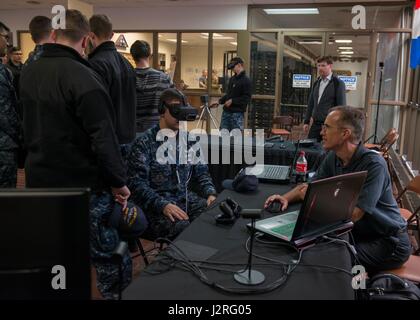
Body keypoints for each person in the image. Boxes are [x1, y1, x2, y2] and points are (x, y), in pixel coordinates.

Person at [19, 9, 132, 299]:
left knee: (56, 255)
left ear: (54, 35)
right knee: (109, 258)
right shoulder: (84, 77)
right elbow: (103, 139)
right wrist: (119, 182)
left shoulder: (28, 72)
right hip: (82, 188)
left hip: (40, 183)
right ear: (85, 41)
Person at [264, 106, 411, 273]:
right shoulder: (333, 157)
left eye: (327, 127)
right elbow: (308, 188)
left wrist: (315, 200)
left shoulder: (374, 165)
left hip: (388, 242)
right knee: (311, 251)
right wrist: (285, 198)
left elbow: (354, 214)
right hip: (359, 235)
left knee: (333, 262)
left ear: (345, 134)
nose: (321, 132)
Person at [127, 88, 217, 240]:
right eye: (175, 110)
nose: (179, 116)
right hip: (156, 206)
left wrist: (210, 194)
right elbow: (136, 185)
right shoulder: (144, 143)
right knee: (183, 227)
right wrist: (162, 205)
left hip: (185, 198)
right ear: (162, 111)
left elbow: (202, 173)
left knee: (215, 216)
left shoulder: (189, 140)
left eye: (181, 110)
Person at [88, 14, 136, 158]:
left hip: (109, 141)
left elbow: (96, 109)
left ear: (90, 36)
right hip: (128, 137)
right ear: (112, 34)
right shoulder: (127, 64)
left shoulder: (95, 65)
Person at [129, 40, 172, 133]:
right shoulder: (163, 78)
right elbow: (173, 102)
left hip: (131, 131)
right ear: (150, 55)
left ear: (133, 57)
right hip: (156, 131)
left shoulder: (125, 78)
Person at [303, 56, 346, 141]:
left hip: (330, 125)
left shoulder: (338, 83)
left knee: (327, 150)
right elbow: (311, 103)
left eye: (323, 65)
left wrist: (340, 125)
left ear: (330, 66)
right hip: (315, 124)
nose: (320, 68)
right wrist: (306, 121)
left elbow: (342, 107)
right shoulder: (316, 83)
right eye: (318, 66)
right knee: (310, 147)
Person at [0, 22, 22, 188]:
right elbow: (7, 115)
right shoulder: (3, 72)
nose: (6, 43)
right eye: (4, 38)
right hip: (3, 148)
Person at [212, 56, 251, 131]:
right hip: (226, 113)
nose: (232, 69)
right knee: (223, 137)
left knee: (235, 139)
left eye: (233, 67)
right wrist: (219, 101)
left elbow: (246, 98)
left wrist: (233, 101)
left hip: (237, 114)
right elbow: (229, 94)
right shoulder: (232, 79)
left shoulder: (246, 81)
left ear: (239, 65)